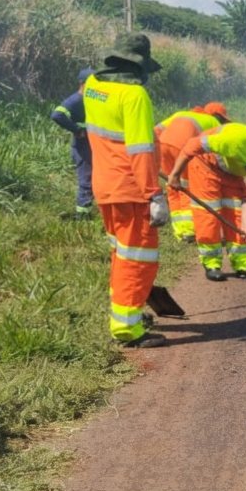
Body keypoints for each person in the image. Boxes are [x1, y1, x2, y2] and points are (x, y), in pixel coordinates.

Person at [83, 33, 169, 349]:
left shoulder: (92, 86)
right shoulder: (134, 96)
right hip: (131, 189)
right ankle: (127, 329)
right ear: (138, 66)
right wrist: (153, 195)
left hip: (104, 186)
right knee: (138, 258)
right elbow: (140, 149)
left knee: (121, 254)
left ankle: (126, 313)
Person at [168, 123, 246, 282]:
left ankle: (244, 265)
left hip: (231, 173)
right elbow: (192, 145)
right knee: (208, 216)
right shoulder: (235, 141)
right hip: (206, 164)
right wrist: (175, 174)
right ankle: (212, 264)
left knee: (237, 217)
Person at [154, 102, 230, 243]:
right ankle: (189, 232)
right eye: (222, 119)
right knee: (185, 187)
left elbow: (156, 130)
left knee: (172, 186)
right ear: (217, 116)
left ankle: (179, 231)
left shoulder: (181, 114)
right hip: (182, 149)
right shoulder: (213, 122)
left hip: (162, 146)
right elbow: (214, 148)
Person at [50, 68, 96, 219]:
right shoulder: (76, 100)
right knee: (86, 181)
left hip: (91, 146)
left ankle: (87, 211)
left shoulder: (91, 100)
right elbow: (57, 115)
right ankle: (82, 215)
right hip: (82, 147)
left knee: (94, 179)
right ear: (82, 84)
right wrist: (77, 130)